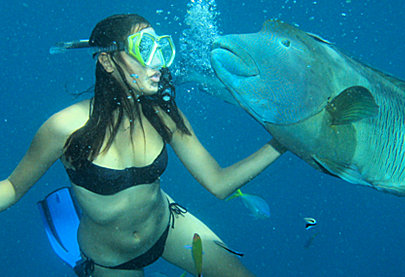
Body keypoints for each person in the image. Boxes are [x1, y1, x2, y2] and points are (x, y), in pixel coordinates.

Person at [0, 14, 285, 277]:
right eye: (144, 48)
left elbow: (219, 184)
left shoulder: (163, 114)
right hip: (110, 260)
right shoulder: (65, 127)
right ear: (108, 61)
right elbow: (12, 188)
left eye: (160, 49)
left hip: (170, 227)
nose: (157, 62)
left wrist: (283, 142)